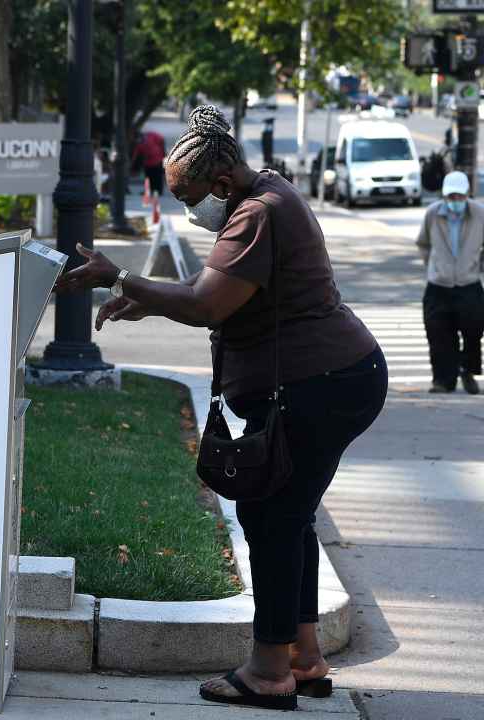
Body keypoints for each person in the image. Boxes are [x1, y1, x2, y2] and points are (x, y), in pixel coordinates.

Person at [56, 105, 387, 712]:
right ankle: (302, 657)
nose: (189, 212)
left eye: (189, 198)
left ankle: (268, 672)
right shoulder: (264, 194)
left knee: (273, 518)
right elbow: (220, 297)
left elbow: (208, 304)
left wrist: (120, 278)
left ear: (223, 183)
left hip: (323, 382)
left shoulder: (256, 214)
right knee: (286, 515)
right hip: (336, 377)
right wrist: (152, 301)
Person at [416, 170, 484, 394]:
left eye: (460, 197)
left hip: (469, 284)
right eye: (451, 197)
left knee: (474, 330)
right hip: (439, 286)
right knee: (438, 333)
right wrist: (434, 268)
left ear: (467, 194)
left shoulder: (479, 214)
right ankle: (443, 380)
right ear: (445, 196)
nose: (455, 201)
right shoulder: (433, 214)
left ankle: (467, 369)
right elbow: (423, 243)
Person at [131, 130, 166, 196]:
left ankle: (157, 191)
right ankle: (152, 190)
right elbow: (136, 155)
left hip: (156, 160)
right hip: (150, 161)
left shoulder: (150, 136)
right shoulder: (141, 143)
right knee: (151, 177)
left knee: (155, 177)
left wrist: (162, 151)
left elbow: (161, 140)